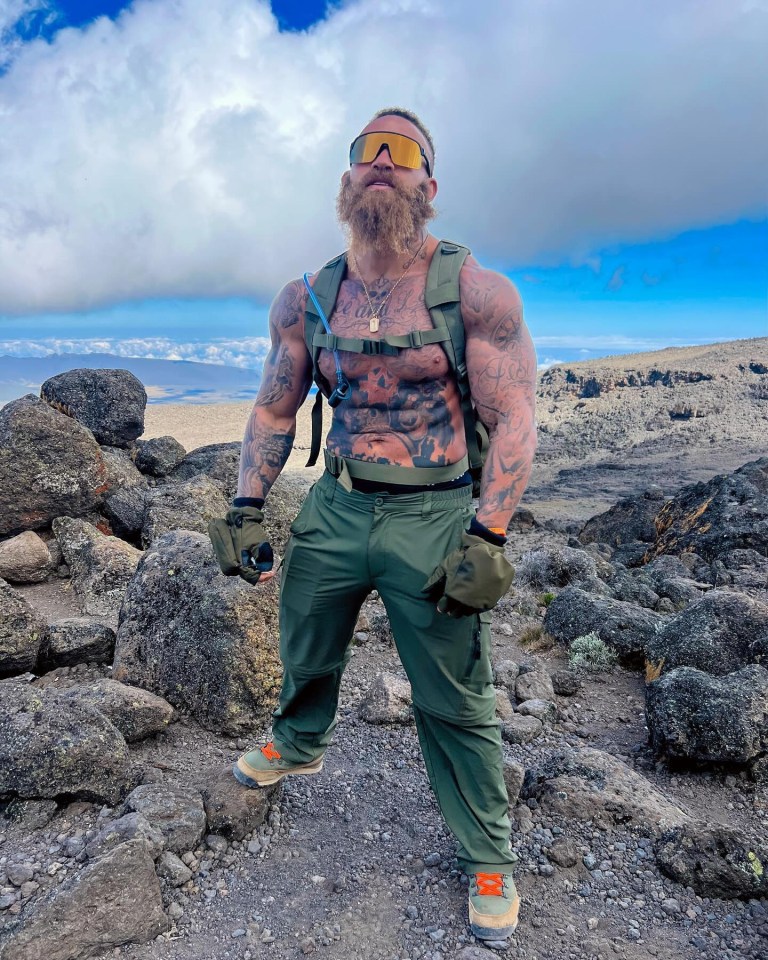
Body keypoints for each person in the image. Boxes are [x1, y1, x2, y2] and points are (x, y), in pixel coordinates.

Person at [208, 107, 537, 941]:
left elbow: (516, 415)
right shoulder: (309, 299)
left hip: (434, 509)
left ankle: (486, 851)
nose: (382, 162)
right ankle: (298, 737)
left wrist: (489, 535)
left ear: (430, 185)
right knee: (303, 632)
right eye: (366, 152)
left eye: (403, 153)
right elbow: (275, 408)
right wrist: (246, 504)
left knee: (453, 691)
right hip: (340, 499)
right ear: (345, 181)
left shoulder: (476, 292)